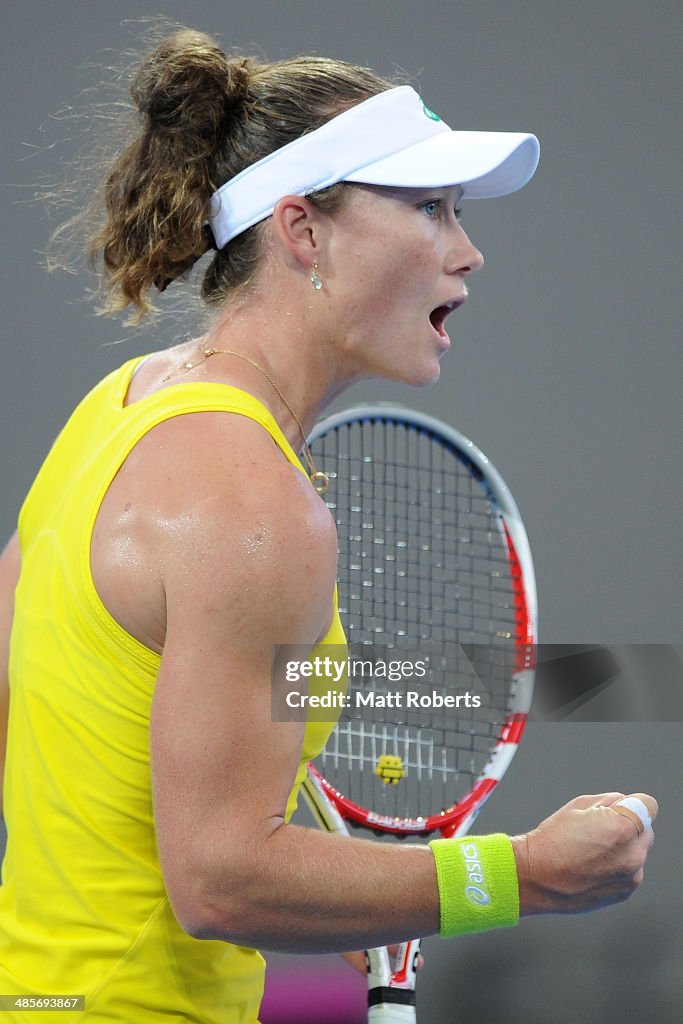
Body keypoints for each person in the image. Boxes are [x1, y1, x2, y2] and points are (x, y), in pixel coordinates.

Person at [0, 28, 657, 1024]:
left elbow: (32, 686)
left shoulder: (122, 405)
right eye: (429, 209)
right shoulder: (251, 500)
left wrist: (321, 884)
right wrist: (514, 876)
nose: (466, 249)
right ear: (301, 231)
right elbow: (220, 878)